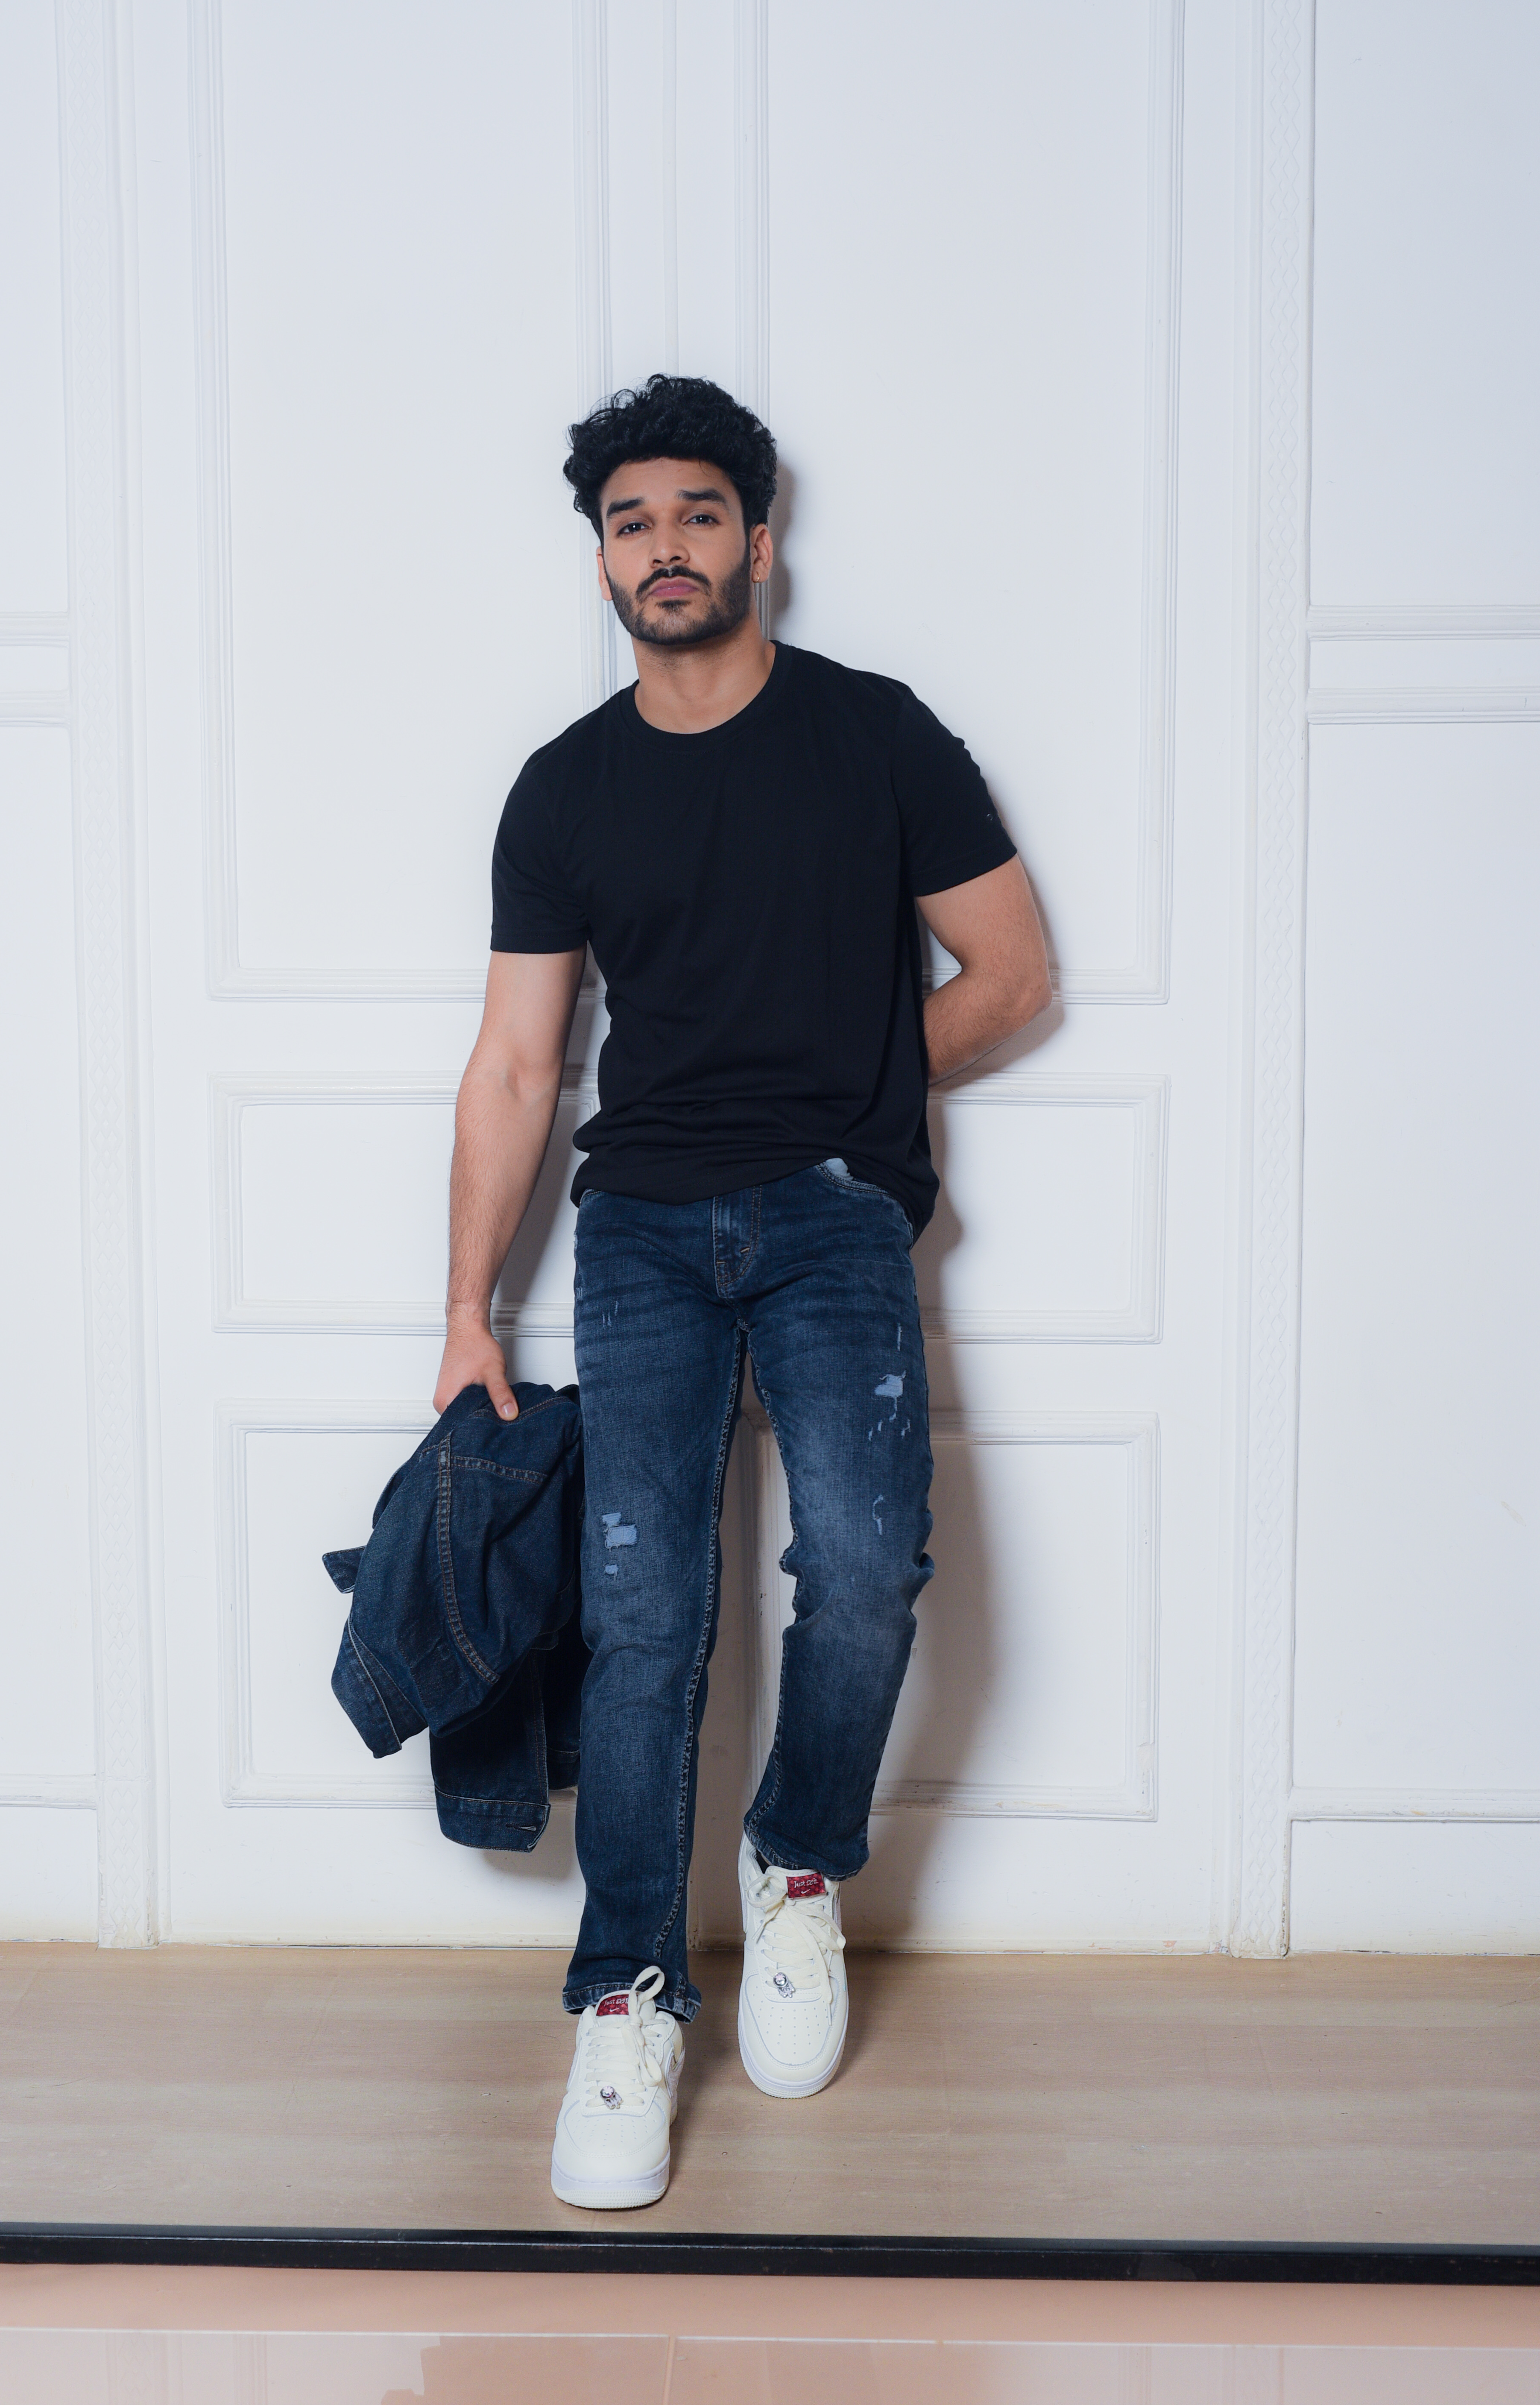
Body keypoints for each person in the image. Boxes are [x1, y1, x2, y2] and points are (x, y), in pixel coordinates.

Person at [433, 374, 1051, 2209]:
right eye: (630, 522)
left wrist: (852, 1089)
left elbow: (1012, 973)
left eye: (698, 513)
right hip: (637, 1231)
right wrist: (466, 1309)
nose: (665, 547)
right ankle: (625, 1997)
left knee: (862, 1567)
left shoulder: (875, 735)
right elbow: (516, 1067)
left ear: (758, 540)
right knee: (641, 1616)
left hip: (833, 1214)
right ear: (602, 562)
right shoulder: (564, 787)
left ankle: (795, 1864)